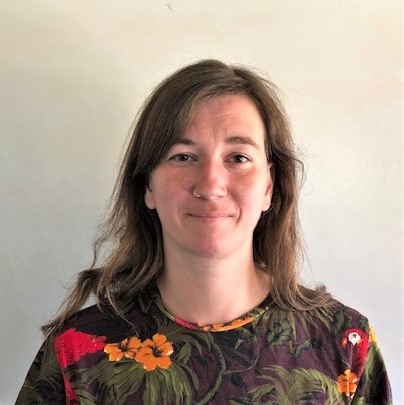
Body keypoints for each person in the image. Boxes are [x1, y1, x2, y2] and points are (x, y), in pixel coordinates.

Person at [16, 59, 392, 404]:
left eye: (238, 158)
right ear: (147, 186)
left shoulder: (346, 346)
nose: (210, 185)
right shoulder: (77, 353)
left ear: (268, 186)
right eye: (183, 157)